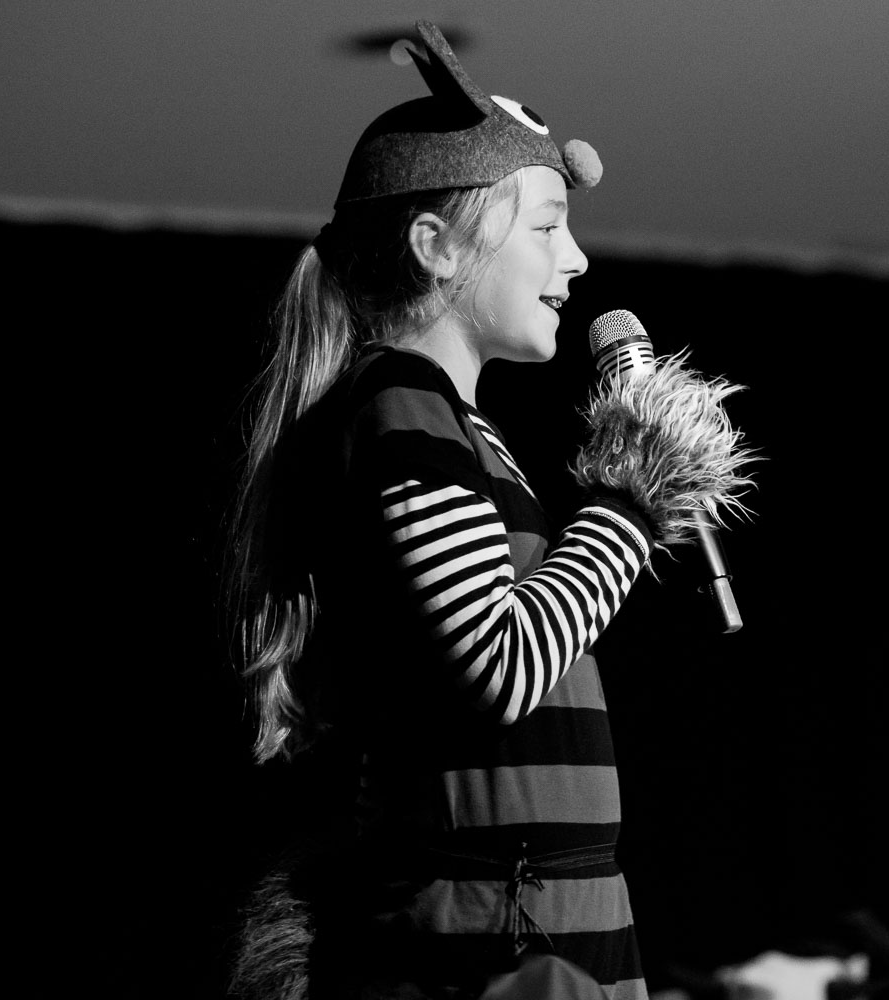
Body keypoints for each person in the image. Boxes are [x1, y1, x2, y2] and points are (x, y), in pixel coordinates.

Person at [224, 22, 751, 1000]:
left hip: (544, 929)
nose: (577, 259)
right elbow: (498, 667)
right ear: (436, 246)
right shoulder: (401, 406)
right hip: (485, 948)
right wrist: (630, 504)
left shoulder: (456, 426)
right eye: (547, 227)